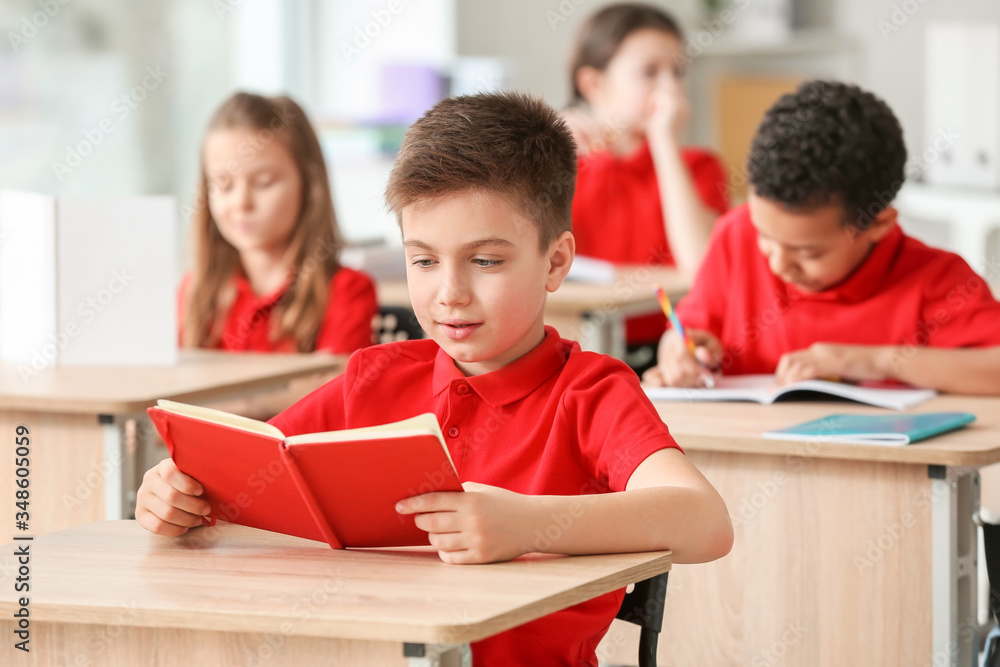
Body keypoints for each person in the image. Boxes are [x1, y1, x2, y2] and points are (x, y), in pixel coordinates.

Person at [136, 91, 733, 667]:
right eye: (423, 260)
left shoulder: (592, 393)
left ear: (555, 262)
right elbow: (246, 469)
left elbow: (705, 522)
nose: (450, 293)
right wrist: (175, 494)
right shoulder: (375, 378)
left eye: (486, 261)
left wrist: (527, 526)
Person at [643, 80, 1000, 394]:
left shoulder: (935, 281)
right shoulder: (735, 236)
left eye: (808, 252)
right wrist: (678, 350)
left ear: (878, 224)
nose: (779, 264)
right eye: (764, 236)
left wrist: (879, 361)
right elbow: (689, 332)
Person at [179, 92, 378, 415]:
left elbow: (335, 394)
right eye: (224, 185)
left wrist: (233, 406)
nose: (241, 203)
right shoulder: (194, 291)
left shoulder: (347, 291)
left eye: (264, 182)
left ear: (309, 185)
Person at [564, 3, 729, 347]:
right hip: (576, 343)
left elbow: (703, 268)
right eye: (650, 72)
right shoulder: (563, 163)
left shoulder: (699, 166)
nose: (670, 89)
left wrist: (665, 142)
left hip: (669, 349)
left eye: (678, 72)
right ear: (594, 84)